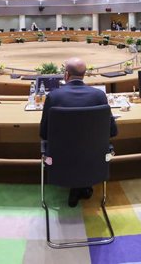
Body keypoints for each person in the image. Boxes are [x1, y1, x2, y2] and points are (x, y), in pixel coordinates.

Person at [39, 57, 117, 207]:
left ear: (66, 75)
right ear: (84, 75)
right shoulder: (99, 96)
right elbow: (112, 131)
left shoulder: (53, 97)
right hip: (94, 159)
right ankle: (83, 185)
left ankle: (77, 186)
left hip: (59, 161)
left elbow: (44, 133)